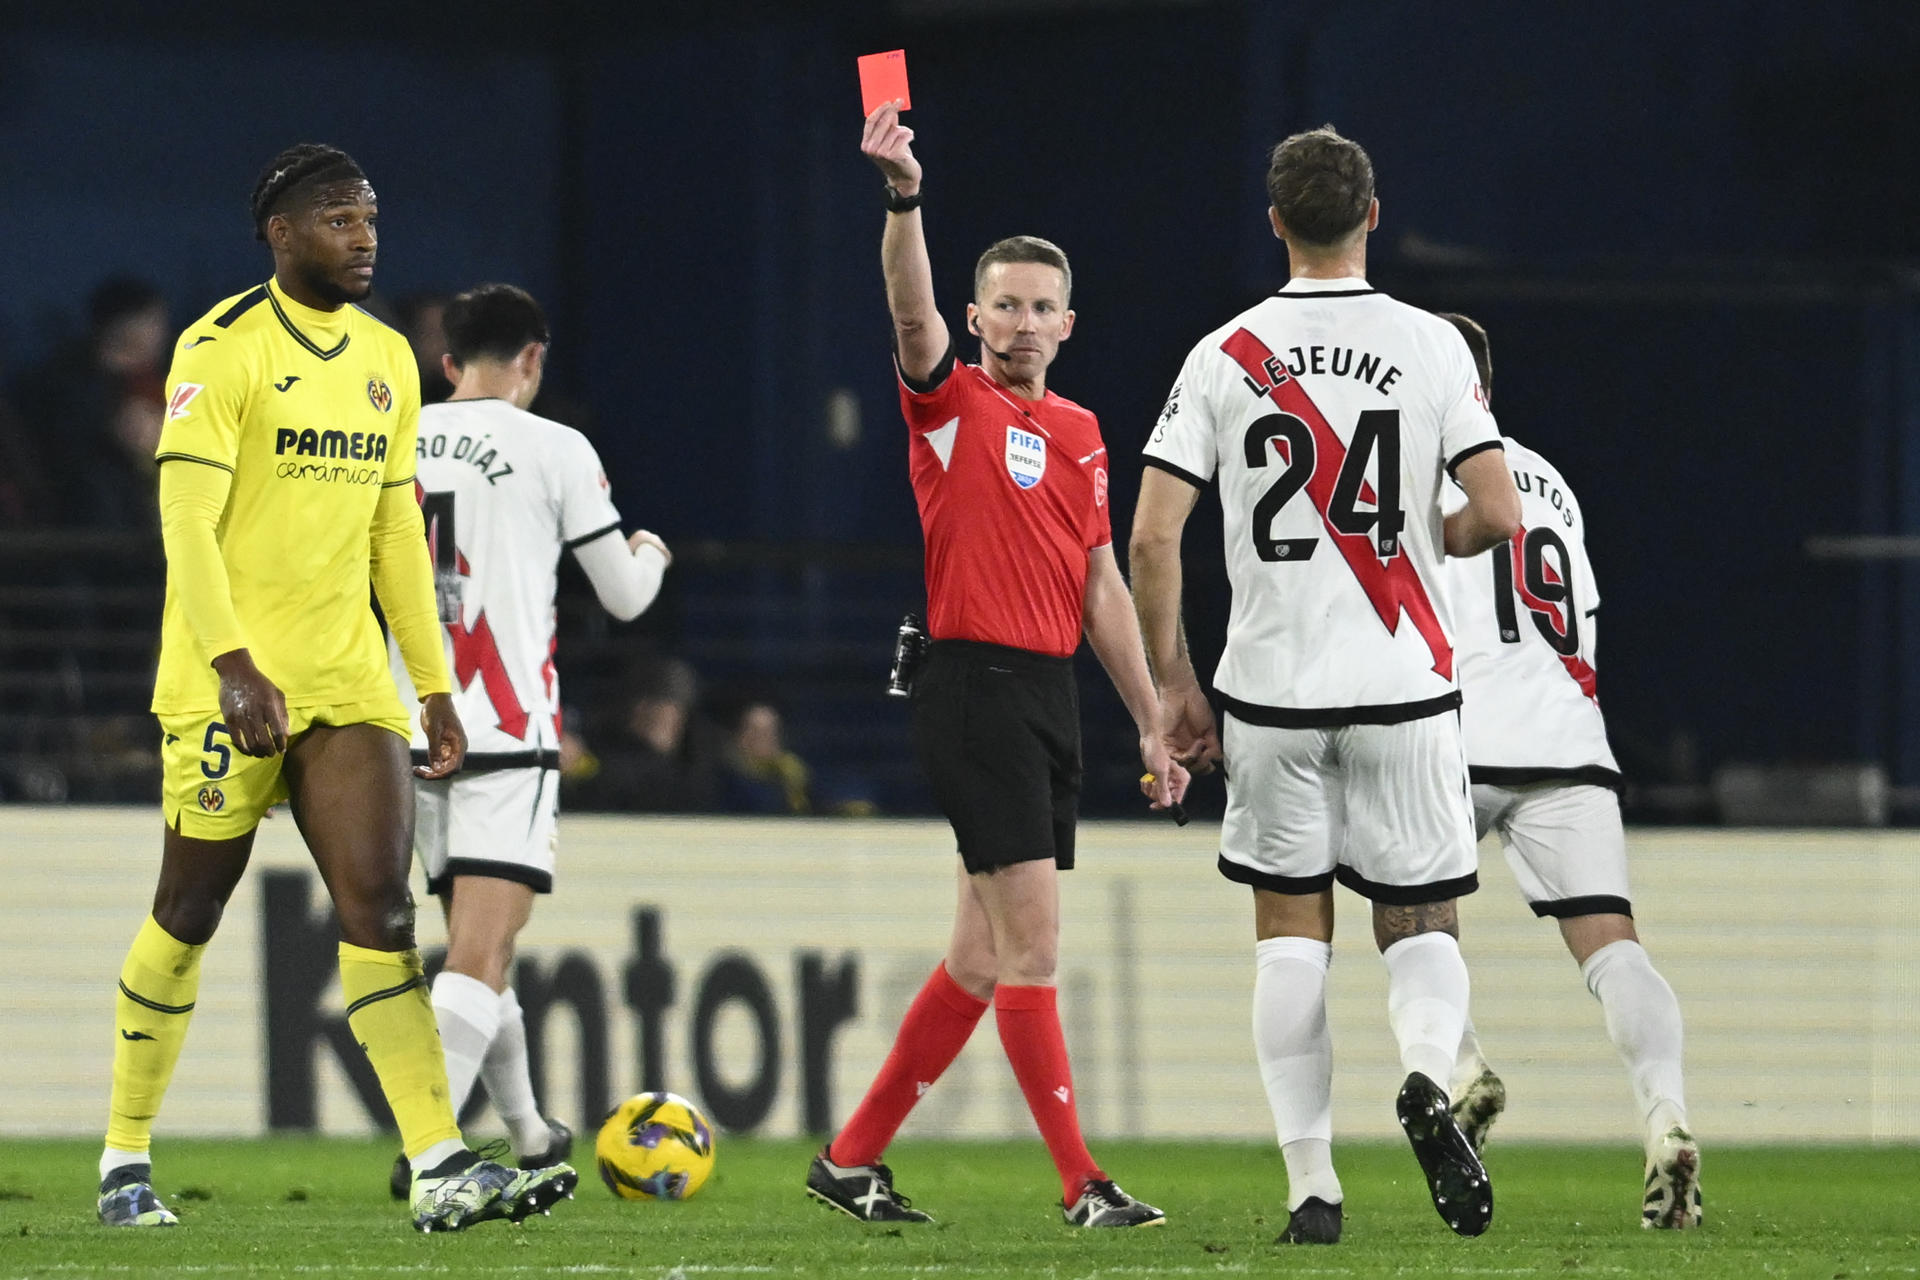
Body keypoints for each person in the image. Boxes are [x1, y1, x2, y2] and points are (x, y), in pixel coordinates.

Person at [97, 145, 576, 1233]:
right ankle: (125, 1156)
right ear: (281, 234)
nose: (365, 237)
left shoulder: (391, 361)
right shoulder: (221, 351)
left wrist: (433, 681)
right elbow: (183, 522)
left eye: (371, 218)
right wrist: (229, 662)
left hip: (348, 683)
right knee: (188, 911)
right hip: (227, 683)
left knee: (381, 913)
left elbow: (394, 527)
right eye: (340, 220)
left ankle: (442, 1159)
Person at [1129, 126, 1523, 1245]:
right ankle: (1423, 1079)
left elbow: (1154, 538)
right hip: (1402, 680)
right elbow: (1495, 512)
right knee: (1420, 917)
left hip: (1270, 692)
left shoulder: (1224, 353)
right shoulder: (1433, 345)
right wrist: (1419, 534)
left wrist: (1174, 684)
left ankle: (1314, 1190)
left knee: (1289, 934)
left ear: (1274, 222)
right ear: (1374, 214)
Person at [802, 101, 1188, 1232]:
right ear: (976, 317)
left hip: (1048, 693)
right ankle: (1082, 1181)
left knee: (979, 955)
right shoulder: (949, 402)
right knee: (1034, 946)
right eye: (1004, 305)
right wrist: (905, 197)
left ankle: (850, 1158)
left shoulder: (1081, 430)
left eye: (1040, 307)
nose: (1021, 322)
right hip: (971, 687)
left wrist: (1152, 720)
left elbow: (1102, 584)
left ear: (1070, 321)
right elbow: (905, 305)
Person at [381, 283, 672, 1198]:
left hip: (404, 727)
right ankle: (431, 1152)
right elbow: (623, 597)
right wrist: (654, 552)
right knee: (478, 952)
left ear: (445, 361)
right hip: (505, 730)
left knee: (478, 950)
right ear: (534, 359)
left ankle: (530, 1131)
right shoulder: (557, 447)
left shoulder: (396, 439)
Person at [1433, 312, 1701, 1230]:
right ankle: (1666, 1117)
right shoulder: (1549, 478)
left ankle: (1463, 1070)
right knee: (1614, 948)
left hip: (1455, 736)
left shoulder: (1405, 476)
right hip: (1568, 741)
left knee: (1406, 910)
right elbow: (1580, 613)